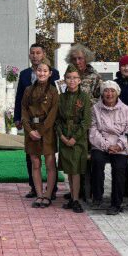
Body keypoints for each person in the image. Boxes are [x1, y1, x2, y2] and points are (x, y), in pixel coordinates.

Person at [13, 43, 60, 198]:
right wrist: (18, 117)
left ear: (43, 54)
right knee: (32, 158)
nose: (35, 55)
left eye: (38, 53)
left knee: (49, 159)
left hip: (47, 124)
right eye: (32, 53)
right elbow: (20, 97)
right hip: (30, 122)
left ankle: (51, 190)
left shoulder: (55, 73)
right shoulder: (25, 74)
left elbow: (57, 98)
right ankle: (35, 188)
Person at [89, 80, 128, 215]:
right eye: (106, 90)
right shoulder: (95, 109)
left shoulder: (126, 109)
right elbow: (93, 130)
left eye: (112, 91)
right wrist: (107, 146)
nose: (109, 93)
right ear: (102, 93)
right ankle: (97, 196)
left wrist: (119, 146)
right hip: (101, 144)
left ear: (117, 93)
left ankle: (116, 203)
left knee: (119, 168)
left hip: (120, 145)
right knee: (96, 161)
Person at [21, 62, 59, 208]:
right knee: (35, 163)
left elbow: (53, 114)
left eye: (45, 71)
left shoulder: (53, 91)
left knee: (50, 163)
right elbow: (24, 111)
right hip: (31, 130)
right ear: (35, 72)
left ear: (50, 73)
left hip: (47, 130)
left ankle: (48, 195)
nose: (42, 73)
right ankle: (39, 194)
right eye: (39, 70)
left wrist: (41, 131)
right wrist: (30, 130)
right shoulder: (28, 90)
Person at [58, 67, 93, 213]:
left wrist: (74, 138)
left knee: (76, 169)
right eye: (69, 78)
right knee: (69, 170)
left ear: (79, 80)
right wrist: (61, 136)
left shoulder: (84, 97)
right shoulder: (61, 97)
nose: (72, 81)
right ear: (65, 80)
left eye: (75, 78)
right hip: (64, 135)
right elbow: (57, 119)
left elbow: (86, 121)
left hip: (78, 139)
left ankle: (76, 200)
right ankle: (72, 197)